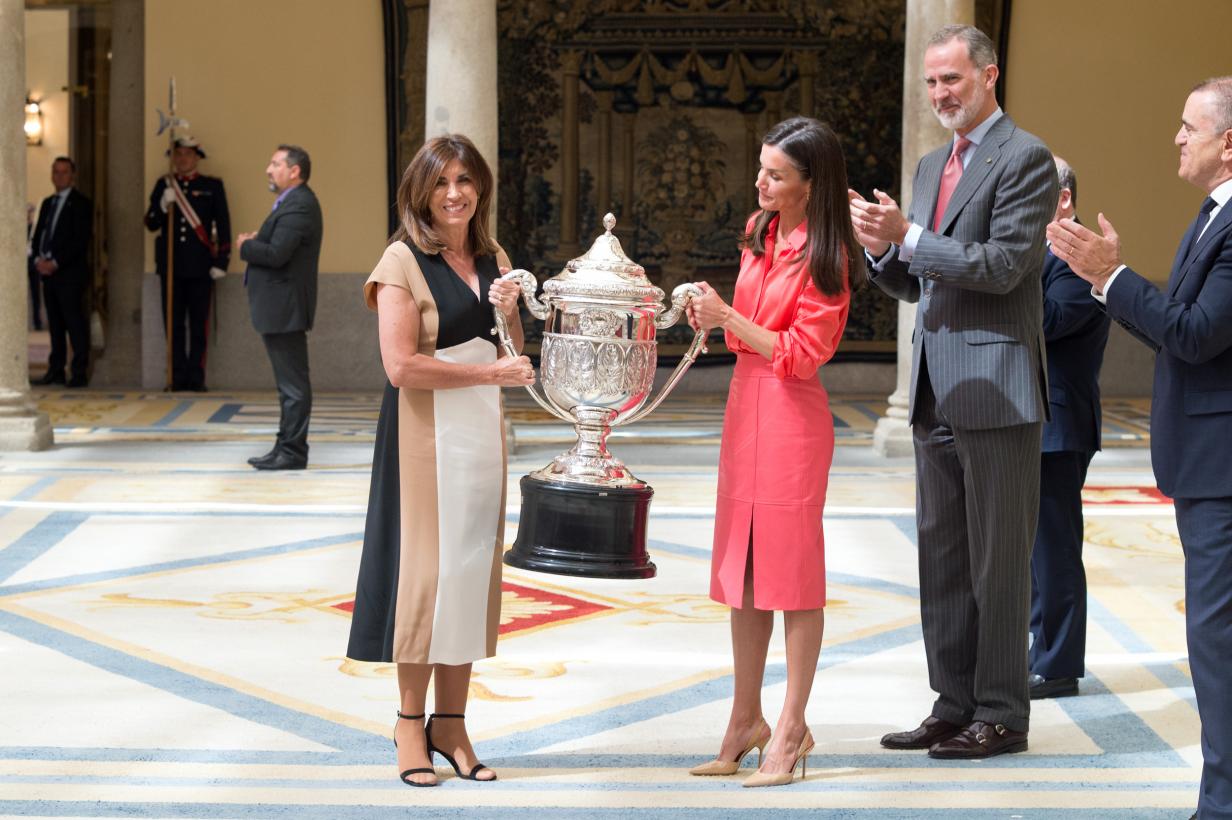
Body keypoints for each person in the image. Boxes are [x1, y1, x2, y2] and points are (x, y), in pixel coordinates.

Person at [848, 24, 1057, 758]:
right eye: (932, 82)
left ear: (989, 76)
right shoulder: (932, 162)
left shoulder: (1026, 158)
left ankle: (1002, 712)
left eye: (952, 80)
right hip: (937, 384)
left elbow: (1002, 265)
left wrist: (908, 235)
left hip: (997, 389)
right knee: (940, 556)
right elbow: (921, 275)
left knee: (998, 560)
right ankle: (953, 703)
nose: (940, 93)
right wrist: (882, 248)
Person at [1048, 75, 1232, 820]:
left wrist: (1110, 275)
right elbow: (1181, 325)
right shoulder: (1212, 215)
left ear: (1229, 142)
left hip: (1221, 467)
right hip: (1206, 461)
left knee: (1217, 639)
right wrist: (1111, 282)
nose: (1177, 137)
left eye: (1189, 127)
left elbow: (1193, 334)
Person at [345, 134, 532, 787]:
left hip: (481, 439)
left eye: (466, 180)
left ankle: (451, 723)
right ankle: (407, 724)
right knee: (424, 581)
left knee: (469, 573)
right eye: (442, 182)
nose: (455, 193)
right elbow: (400, 367)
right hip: (422, 441)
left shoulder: (493, 256)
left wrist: (511, 321)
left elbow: (511, 354)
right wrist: (493, 373)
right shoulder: (400, 261)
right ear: (419, 192)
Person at [685, 117, 863, 787]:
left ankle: (790, 728)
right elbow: (744, 341)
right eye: (760, 169)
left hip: (792, 419)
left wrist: (731, 318)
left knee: (791, 577)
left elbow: (800, 355)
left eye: (775, 174)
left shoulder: (829, 255)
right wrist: (716, 316)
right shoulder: (761, 233)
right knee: (746, 575)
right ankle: (743, 719)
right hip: (746, 409)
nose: (759, 182)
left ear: (810, 184)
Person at [1029, 157, 1109, 700]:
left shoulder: (1080, 253)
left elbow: (1053, 322)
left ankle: (1057, 665)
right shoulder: (1043, 254)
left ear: (1061, 200)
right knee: (1032, 548)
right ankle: (1041, 652)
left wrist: (1002, 274)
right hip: (1029, 417)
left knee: (1053, 547)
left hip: (1058, 422)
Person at [237, 145, 323, 470]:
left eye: (275, 164)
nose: (268, 169)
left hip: (285, 309)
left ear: (294, 170)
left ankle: (292, 451)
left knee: (293, 386)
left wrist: (246, 246)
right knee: (288, 386)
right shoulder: (291, 203)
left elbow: (276, 254)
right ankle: (284, 446)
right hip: (280, 308)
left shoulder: (299, 205)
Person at [144, 135, 231, 392]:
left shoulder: (211, 186)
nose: (182, 159)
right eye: (178, 154)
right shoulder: (165, 185)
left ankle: (196, 376)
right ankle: (177, 376)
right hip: (171, 267)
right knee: (173, 324)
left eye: (188, 154)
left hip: (201, 266)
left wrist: (221, 260)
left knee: (198, 325)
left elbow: (223, 224)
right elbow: (151, 223)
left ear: (197, 158)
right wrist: (162, 204)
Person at [30, 156, 93, 388]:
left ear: (73, 175)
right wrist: (37, 259)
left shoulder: (81, 203)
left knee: (74, 323)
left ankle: (78, 372)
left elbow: (79, 240)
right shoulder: (47, 203)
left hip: (70, 274)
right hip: (49, 275)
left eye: (64, 172)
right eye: (55, 172)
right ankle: (55, 370)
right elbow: (39, 235)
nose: (59, 176)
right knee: (55, 325)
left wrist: (55, 262)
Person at [27, 203, 43, 331]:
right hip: (21, 264)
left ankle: (37, 322)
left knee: (35, 295)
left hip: (33, 264)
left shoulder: (34, 228)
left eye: (30, 212)